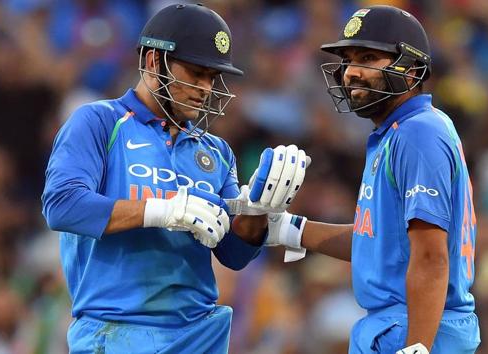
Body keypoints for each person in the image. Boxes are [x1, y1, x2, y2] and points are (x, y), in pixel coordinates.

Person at [41, 4, 308, 353]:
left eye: (213, 77)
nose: (206, 88)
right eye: (196, 73)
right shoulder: (99, 121)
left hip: (200, 334)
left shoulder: (216, 151)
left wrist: (258, 211)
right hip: (118, 330)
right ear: (153, 62)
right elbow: (62, 205)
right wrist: (162, 211)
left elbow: (234, 254)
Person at [251, 5, 480, 354]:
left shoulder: (418, 133)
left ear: (413, 69)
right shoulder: (396, 133)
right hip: (401, 324)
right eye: (349, 59)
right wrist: (286, 228)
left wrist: (417, 346)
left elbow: (431, 257)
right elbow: (379, 242)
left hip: (415, 326)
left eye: (369, 58)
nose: (351, 73)